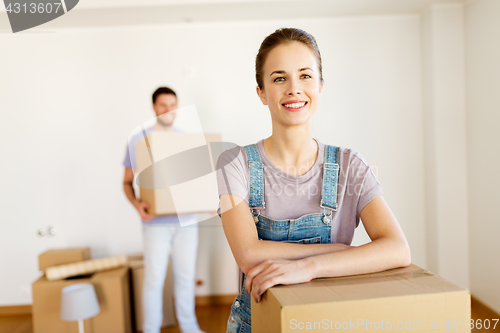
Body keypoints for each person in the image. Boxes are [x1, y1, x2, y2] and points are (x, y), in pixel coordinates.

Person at [215, 28, 411, 333]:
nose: (294, 88)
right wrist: (345, 252)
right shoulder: (235, 164)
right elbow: (249, 254)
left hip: (326, 322)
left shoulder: (350, 165)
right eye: (279, 78)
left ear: (320, 85)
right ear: (262, 92)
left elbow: (398, 250)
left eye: (305, 76)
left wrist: (309, 266)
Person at [122, 87, 206, 333]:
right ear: (154, 107)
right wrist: (137, 205)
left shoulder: (185, 139)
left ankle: (189, 327)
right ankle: (151, 329)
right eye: (163, 105)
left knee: (185, 277)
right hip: (155, 223)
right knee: (154, 280)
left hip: (186, 220)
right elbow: (127, 182)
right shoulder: (138, 140)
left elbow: (195, 181)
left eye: (173, 105)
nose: (169, 110)